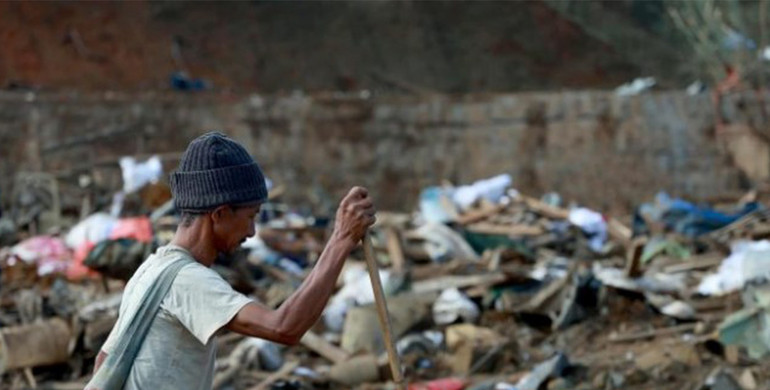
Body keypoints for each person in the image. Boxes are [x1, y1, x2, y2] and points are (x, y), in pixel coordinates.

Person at [87, 131, 376, 389]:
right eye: (250, 217)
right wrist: (341, 240)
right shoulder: (189, 281)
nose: (252, 231)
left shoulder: (151, 270)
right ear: (219, 214)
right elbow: (284, 327)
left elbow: (105, 361)